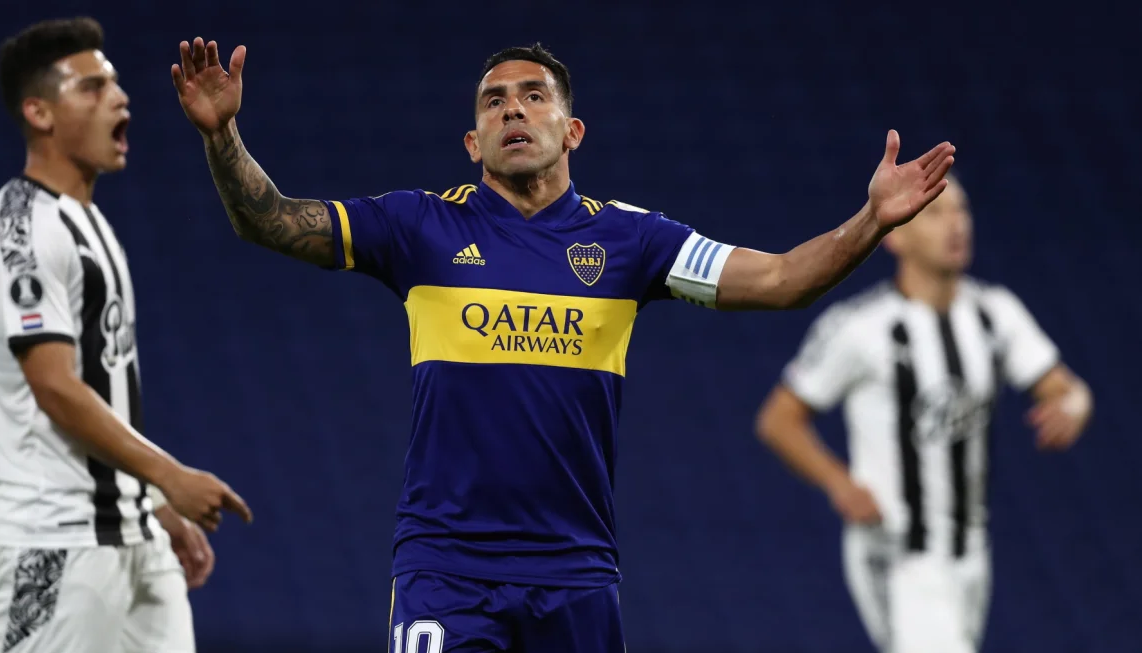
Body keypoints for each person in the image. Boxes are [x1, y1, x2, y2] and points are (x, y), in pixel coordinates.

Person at [171, 37, 953, 653]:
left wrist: (870, 221)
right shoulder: (419, 227)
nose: (512, 110)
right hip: (446, 567)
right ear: (471, 141)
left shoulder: (633, 240)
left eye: (533, 97)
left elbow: (782, 278)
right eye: (493, 102)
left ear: (570, 129)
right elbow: (269, 219)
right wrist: (222, 136)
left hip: (574, 571)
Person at [0, 17, 252, 653]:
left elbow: (103, 387)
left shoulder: (88, 223)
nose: (120, 99)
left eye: (116, 85)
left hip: (132, 535)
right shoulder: (21, 230)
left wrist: (151, 503)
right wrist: (170, 475)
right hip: (54, 542)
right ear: (38, 111)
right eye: (93, 88)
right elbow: (55, 388)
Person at [755, 174, 1092, 653]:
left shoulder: (995, 313)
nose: (955, 225)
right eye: (935, 213)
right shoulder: (861, 328)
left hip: (970, 553)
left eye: (962, 211)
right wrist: (839, 482)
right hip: (898, 551)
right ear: (896, 235)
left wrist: (1074, 406)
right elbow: (779, 418)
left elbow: (1065, 388)